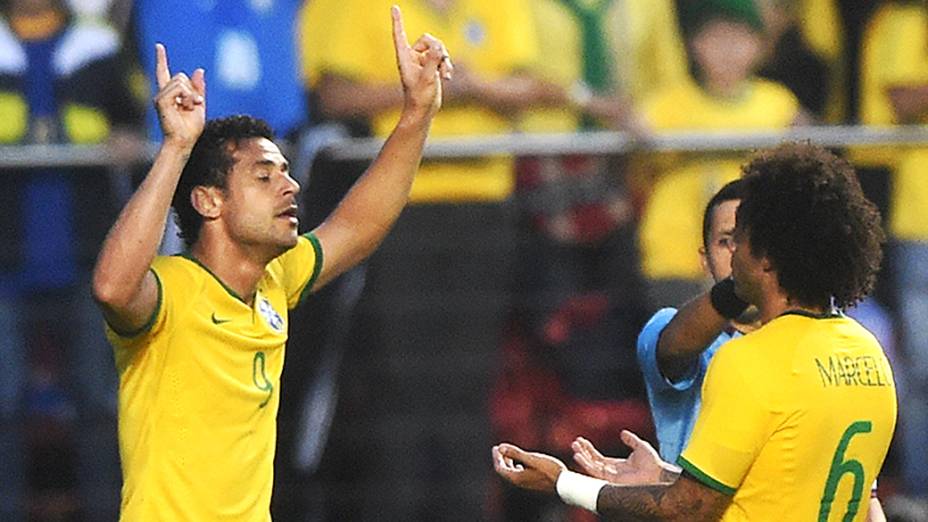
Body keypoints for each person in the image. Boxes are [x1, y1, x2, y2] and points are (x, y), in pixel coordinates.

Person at [91, 7, 451, 520]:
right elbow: (110, 287)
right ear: (210, 202)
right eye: (264, 177)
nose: (291, 186)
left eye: (285, 171)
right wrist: (175, 148)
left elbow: (356, 228)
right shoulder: (170, 292)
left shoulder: (273, 281)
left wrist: (417, 113)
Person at [493, 142, 896, 521]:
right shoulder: (867, 352)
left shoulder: (748, 362)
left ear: (768, 257)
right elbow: (791, 488)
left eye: (743, 238)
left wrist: (564, 482)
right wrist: (665, 477)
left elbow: (690, 507)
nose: (735, 250)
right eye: (726, 240)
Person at [0, 0, 142, 518]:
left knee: (100, 405)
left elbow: (135, 117)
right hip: (7, 263)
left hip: (89, 260)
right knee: (5, 406)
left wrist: (128, 137)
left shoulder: (98, 43)